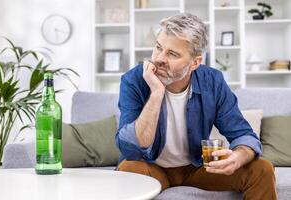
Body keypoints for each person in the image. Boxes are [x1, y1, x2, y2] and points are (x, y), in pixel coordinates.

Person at [115, 13, 277, 199]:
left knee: (261, 168)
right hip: (152, 167)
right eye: (158, 48)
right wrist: (156, 93)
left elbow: (243, 134)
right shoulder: (134, 80)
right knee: (129, 169)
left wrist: (237, 157)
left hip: (197, 167)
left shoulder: (213, 81)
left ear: (195, 62)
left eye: (172, 54)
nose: (159, 58)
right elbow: (130, 150)